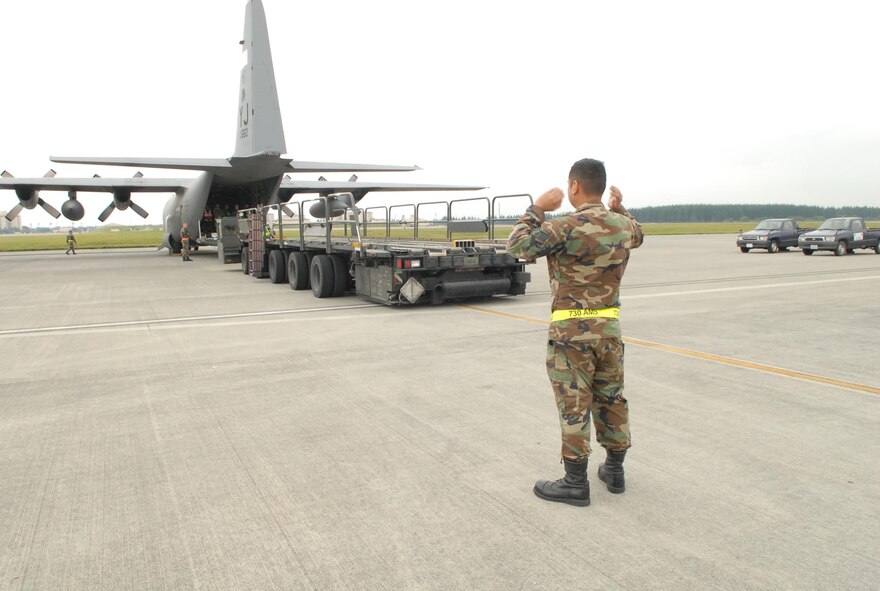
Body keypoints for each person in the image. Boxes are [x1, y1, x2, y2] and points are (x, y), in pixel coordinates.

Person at [507, 158, 644, 507]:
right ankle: (615, 470)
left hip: (571, 333)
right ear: (603, 186)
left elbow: (518, 246)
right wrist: (620, 208)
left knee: (574, 404)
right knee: (612, 398)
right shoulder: (622, 226)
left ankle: (574, 481)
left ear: (574, 186)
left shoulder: (565, 226)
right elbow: (638, 233)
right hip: (609, 331)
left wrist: (537, 208)